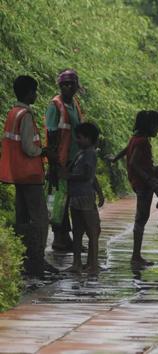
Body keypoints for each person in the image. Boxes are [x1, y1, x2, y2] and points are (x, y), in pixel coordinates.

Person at [0, 76, 59, 276]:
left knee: (22, 218)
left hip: (17, 174)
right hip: (30, 174)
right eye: (34, 91)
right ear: (27, 93)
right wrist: (43, 151)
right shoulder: (25, 115)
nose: (36, 95)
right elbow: (28, 147)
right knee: (40, 219)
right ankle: (37, 261)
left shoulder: (12, 113)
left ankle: (23, 259)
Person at [46, 69, 85, 252]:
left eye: (72, 84)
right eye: (65, 84)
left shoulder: (74, 104)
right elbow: (52, 133)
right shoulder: (55, 105)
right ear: (60, 86)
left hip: (74, 160)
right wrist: (53, 165)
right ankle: (59, 239)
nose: (69, 87)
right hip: (61, 161)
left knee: (66, 199)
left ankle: (66, 238)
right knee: (59, 200)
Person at [61, 122, 104, 274]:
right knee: (78, 231)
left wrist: (68, 176)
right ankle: (77, 263)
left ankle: (92, 264)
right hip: (76, 196)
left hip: (85, 196)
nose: (77, 141)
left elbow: (88, 176)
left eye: (79, 138)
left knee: (93, 231)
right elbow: (92, 176)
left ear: (89, 138)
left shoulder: (90, 154)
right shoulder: (81, 153)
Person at [125, 110, 158, 268]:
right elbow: (133, 162)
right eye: (157, 127)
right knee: (141, 218)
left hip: (143, 180)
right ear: (149, 126)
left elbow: (127, 150)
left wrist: (115, 158)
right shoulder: (142, 142)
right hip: (143, 183)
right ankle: (136, 256)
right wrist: (149, 180)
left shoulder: (136, 138)